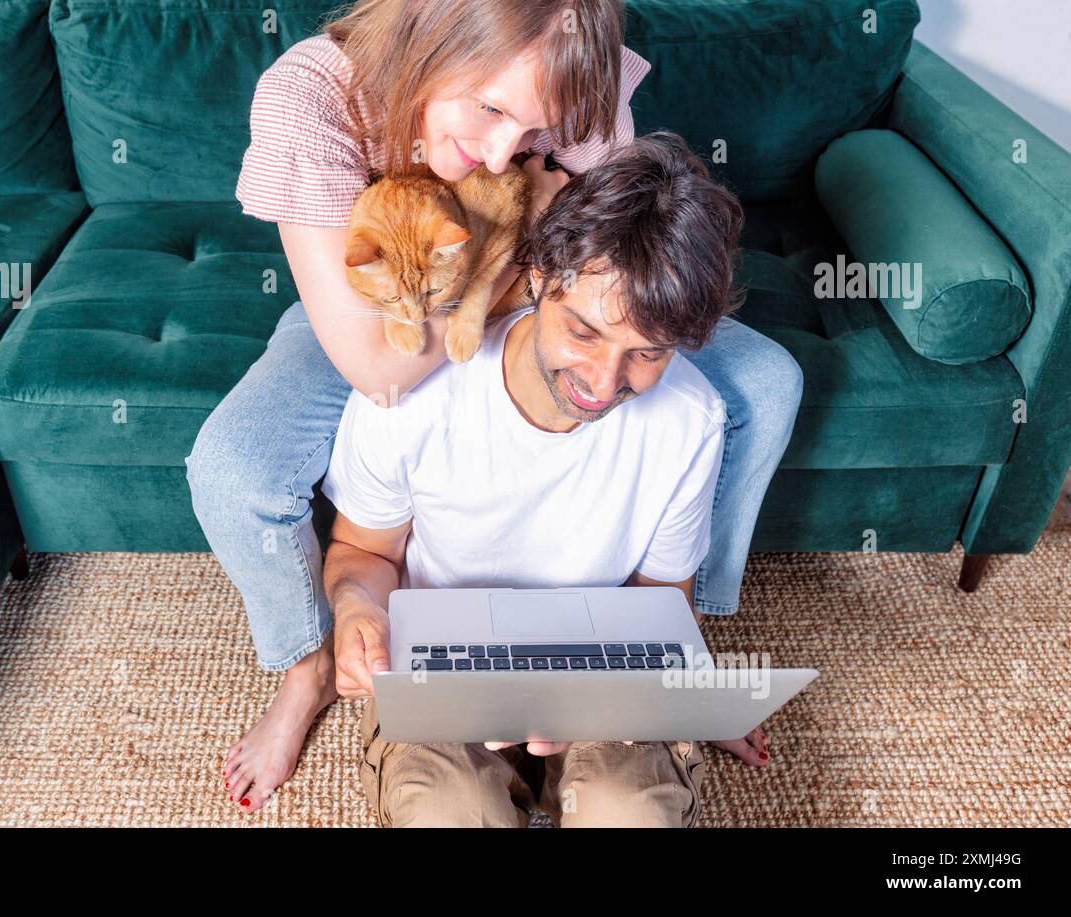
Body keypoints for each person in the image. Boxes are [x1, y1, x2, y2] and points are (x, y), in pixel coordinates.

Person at [185, 0, 800, 814]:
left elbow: (597, 251)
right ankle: (312, 665)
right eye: (491, 109)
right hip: (385, 314)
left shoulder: (576, 65)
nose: (509, 148)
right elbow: (377, 365)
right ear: (432, 39)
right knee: (234, 467)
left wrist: (551, 286)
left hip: (549, 300)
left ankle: (683, 656)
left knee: (765, 382)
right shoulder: (312, 95)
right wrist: (518, 256)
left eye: (535, 129)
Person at [324, 132, 738, 827]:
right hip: (444, 676)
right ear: (540, 274)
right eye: (585, 331)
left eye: (648, 352)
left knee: (628, 811)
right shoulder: (413, 392)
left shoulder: (692, 419)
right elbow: (363, 552)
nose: (605, 384)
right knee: (448, 811)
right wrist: (357, 611)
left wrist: (618, 698)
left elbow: (664, 595)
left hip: (600, 665)